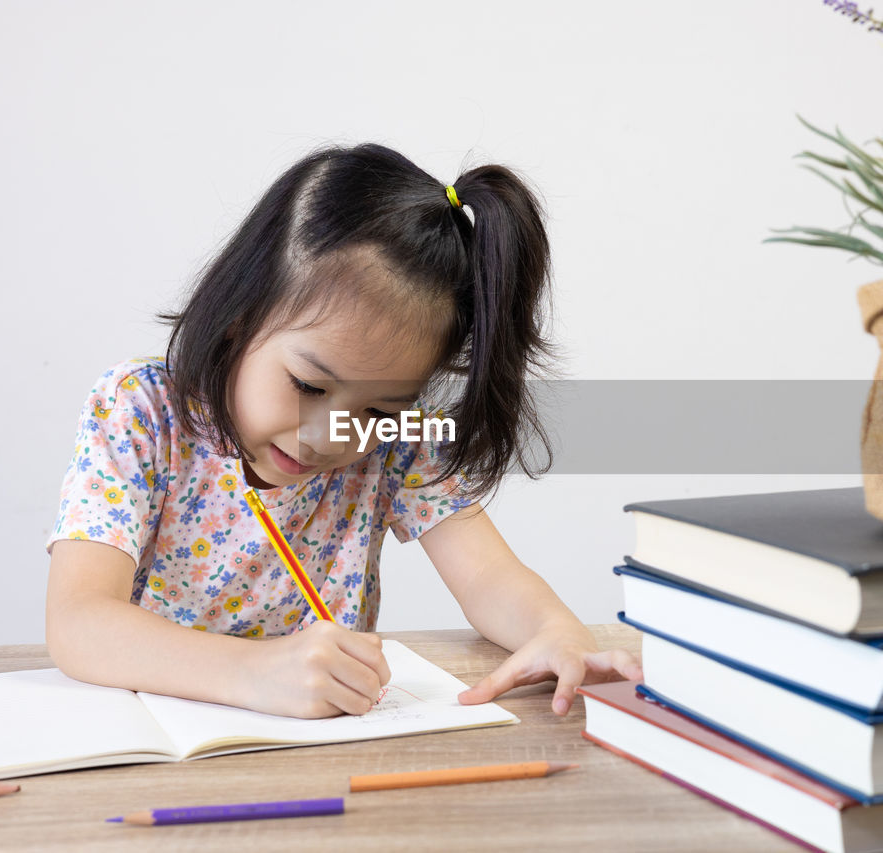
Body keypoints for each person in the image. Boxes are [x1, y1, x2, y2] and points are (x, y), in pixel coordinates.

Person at [45, 142, 641, 720]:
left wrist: (557, 633)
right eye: (309, 386)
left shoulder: (399, 442)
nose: (332, 436)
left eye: (378, 411)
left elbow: (489, 577)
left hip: (328, 753)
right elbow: (79, 622)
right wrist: (255, 673)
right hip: (155, 740)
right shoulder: (142, 411)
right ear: (237, 318)